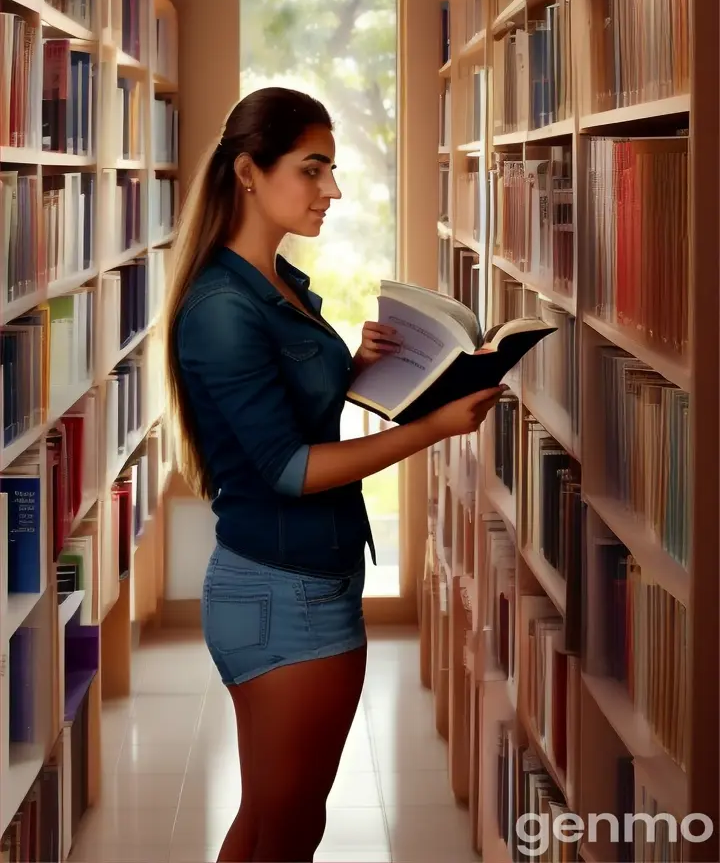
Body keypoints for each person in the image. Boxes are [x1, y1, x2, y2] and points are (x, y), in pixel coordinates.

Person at [164, 86, 503, 863]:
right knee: (287, 828)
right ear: (249, 171)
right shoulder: (223, 307)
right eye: (313, 169)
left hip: (299, 578)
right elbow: (287, 467)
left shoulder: (273, 285)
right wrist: (431, 430)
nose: (333, 191)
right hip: (284, 593)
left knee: (271, 822)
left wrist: (359, 367)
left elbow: (288, 417)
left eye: (334, 170)